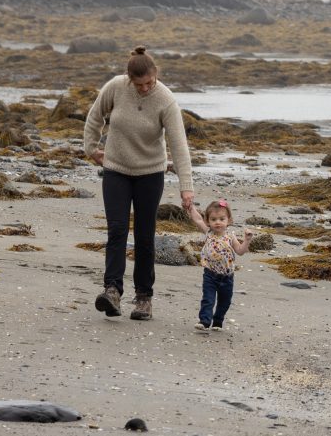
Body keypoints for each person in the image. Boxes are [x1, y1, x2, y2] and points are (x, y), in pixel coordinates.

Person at [84, 46, 194, 321]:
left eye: (150, 83)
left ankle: (144, 298)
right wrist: (90, 148)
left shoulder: (165, 100)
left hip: (150, 173)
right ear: (129, 78)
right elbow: (95, 116)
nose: (145, 88)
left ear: (156, 75)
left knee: (145, 236)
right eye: (139, 84)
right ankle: (112, 291)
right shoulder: (116, 87)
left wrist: (186, 186)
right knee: (117, 230)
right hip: (116, 170)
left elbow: (178, 145)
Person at [188, 199, 253, 332]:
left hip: (227, 277)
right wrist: (190, 207)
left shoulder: (230, 236)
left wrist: (247, 240)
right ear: (208, 221)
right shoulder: (208, 232)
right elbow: (197, 219)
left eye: (222, 219)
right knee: (208, 299)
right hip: (210, 274)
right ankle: (204, 321)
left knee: (225, 302)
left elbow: (240, 251)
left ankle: (218, 321)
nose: (218, 222)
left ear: (228, 220)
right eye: (214, 219)